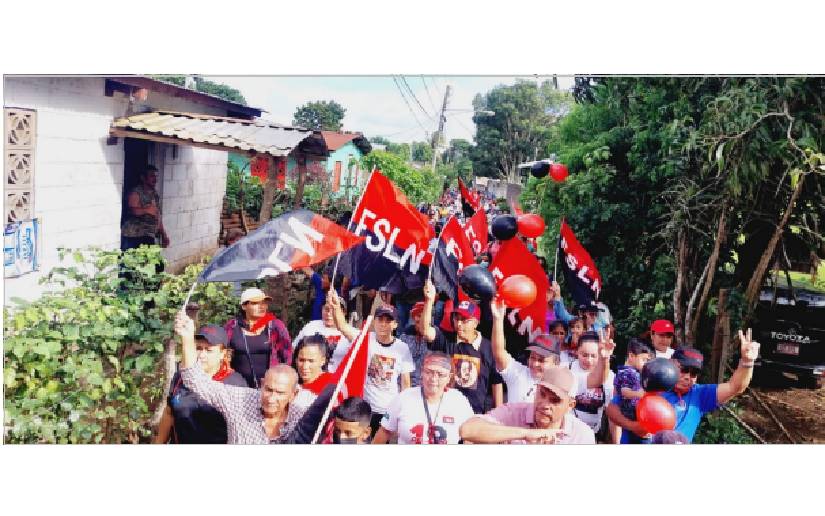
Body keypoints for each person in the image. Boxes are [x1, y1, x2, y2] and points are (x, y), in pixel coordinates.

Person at [174, 311, 310, 444]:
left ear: (294, 394)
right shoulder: (240, 400)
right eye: (268, 390)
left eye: (280, 393)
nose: (271, 398)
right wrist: (187, 338)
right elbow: (195, 380)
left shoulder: (303, 417)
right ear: (262, 384)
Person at [607, 328, 760, 443]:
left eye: (694, 373)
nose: (688, 376)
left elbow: (735, 387)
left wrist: (747, 362)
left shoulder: (700, 395)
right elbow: (612, 409)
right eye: (684, 369)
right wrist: (633, 426)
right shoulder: (651, 381)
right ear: (672, 364)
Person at [326, 289, 415, 437]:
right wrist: (335, 306)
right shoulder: (365, 339)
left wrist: (402, 412)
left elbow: (406, 383)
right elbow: (342, 326)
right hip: (364, 406)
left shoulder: (402, 348)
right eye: (380, 319)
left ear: (395, 325)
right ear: (374, 321)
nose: (383, 324)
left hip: (388, 409)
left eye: (388, 321)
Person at [420, 280, 504, 414]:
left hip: (474, 414)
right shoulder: (447, 339)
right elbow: (425, 331)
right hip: (444, 411)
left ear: (476, 323)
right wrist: (429, 300)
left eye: (464, 320)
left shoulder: (489, 347)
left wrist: (498, 413)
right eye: (456, 318)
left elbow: (496, 382)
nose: (459, 324)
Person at [154, 324, 246, 444]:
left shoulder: (235, 384)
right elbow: (169, 413)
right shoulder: (181, 377)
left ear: (223, 353)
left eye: (209, 350)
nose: (202, 355)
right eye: (198, 348)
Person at [459, 367, 595, 444]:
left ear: (570, 405)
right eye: (542, 394)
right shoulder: (513, 413)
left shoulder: (582, 435)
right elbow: (467, 430)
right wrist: (526, 434)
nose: (545, 404)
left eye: (555, 400)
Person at [373, 352, 475, 444]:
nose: (434, 378)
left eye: (440, 374)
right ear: (422, 372)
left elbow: (472, 435)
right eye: (429, 372)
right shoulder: (404, 398)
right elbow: (384, 431)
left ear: (449, 377)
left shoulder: (459, 401)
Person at [224, 288, 291, 388]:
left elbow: (287, 355)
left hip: (270, 387)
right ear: (244, 306)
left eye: (264, 303)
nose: (262, 306)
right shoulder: (232, 327)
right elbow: (221, 353)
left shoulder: (275, 326)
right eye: (255, 303)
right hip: (237, 387)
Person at [567, 330, 616, 440]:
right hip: (567, 433)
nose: (588, 360)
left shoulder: (609, 377)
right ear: (576, 352)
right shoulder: (567, 370)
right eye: (584, 355)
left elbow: (612, 414)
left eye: (594, 356)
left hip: (593, 434)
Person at [291, 296, 351, 373]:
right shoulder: (311, 326)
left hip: (336, 379)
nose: (329, 313)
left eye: (334, 310)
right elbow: (293, 349)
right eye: (326, 309)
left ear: (344, 312)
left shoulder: (350, 332)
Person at [612, 338, 654, 444]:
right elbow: (624, 391)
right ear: (631, 356)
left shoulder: (634, 372)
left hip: (632, 415)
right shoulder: (627, 373)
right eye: (644, 360)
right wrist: (639, 394)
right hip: (629, 415)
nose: (646, 364)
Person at [121, 165, 169, 250]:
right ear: (143, 178)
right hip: (133, 237)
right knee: (134, 262)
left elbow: (157, 215)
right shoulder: (136, 192)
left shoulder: (154, 194)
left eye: (156, 176)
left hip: (148, 235)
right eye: (151, 176)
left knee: (154, 262)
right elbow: (132, 210)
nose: (155, 179)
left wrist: (163, 234)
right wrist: (146, 210)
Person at [292, 334, 336, 410]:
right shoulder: (290, 383)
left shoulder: (333, 385)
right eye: (301, 360)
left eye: (311, 361)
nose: (305, 366)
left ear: (323, 360)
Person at [398, 301, 435, 388]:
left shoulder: (436, 337)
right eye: (418, 315)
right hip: (405, 382)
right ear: (414, 318)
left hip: (427, 384)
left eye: (424, 316)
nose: (422, 320)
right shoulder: (405, 336)